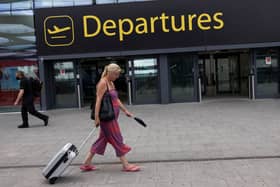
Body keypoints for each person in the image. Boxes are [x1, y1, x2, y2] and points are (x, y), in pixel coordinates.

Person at [80, 63, 140, 172]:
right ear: (110, 73)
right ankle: (125, 165)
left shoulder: (111, 83)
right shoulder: (103, 83)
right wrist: (97, 118)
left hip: (112, 116)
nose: (117, 77)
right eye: (116, 74)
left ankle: (86, 163)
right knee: (117, 138)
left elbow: (116, 100)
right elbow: (98, 101)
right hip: (107, 118)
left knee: (102, 140)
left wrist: (125, 111)